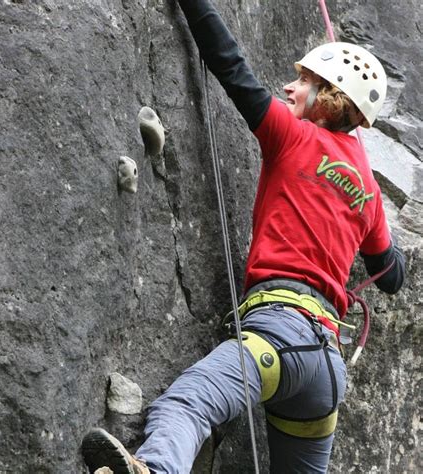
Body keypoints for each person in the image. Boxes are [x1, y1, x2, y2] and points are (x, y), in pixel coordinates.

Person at [81, 0, 405, 472]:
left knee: (185, 405)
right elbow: (391, 275)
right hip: (326, 373)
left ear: (330, 96)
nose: (291, 86)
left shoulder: (292, 135)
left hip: (279, 334)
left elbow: (229, 64)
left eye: (305, 82)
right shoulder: (369, 191)